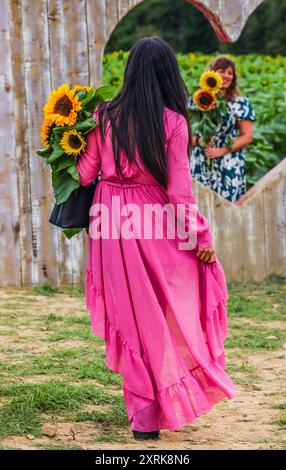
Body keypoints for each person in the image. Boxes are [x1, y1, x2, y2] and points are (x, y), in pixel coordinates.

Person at [76, 37, 237, 441]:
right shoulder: (173, 122)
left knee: (132, 316)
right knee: (168, 308)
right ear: (168, 74)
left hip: (110, 222)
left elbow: (83, 173)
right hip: (154, 221)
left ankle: (143, 415)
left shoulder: (103, 115)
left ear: (130, 71)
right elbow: (180, 192)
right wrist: (201, 236)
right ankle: (158, 404)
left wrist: (66, 138)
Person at [190, 55, 256, 203]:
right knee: (201, 207)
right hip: (201, 160)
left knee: (228, 211)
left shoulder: (240, 103)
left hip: (229, 161)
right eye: (221, 71)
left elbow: (247, 136)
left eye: (230, 73)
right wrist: (200, 141)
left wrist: (223, 150)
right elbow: (184, 133)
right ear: (212, 73)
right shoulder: (197, 99)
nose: (226, 76)